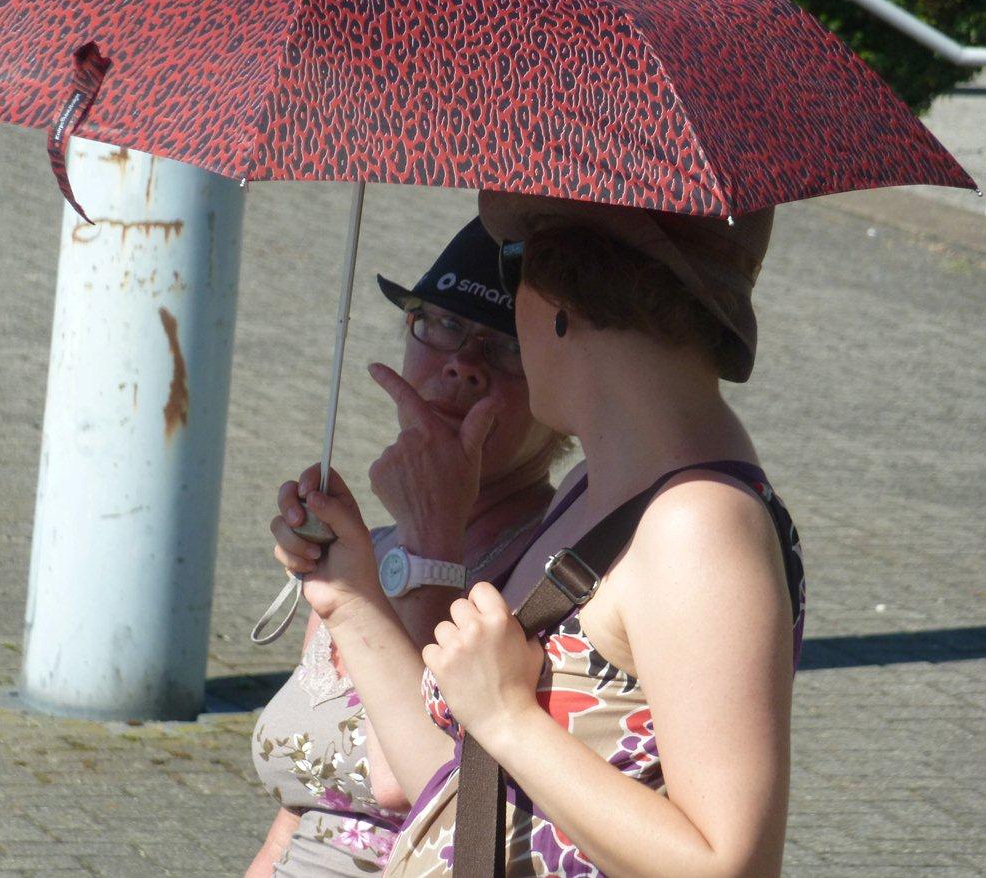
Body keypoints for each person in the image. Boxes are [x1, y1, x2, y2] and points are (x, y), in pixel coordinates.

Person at [291, 191, 806, 876]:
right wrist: (349, 595)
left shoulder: (695, 525)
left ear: (560, 300)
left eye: (515, 269)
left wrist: (509, 717)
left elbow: (728, 864)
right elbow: (455, 787)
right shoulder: (595, 490)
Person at [247, 217, 569, 876]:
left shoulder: (553, 573)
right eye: (444, 324)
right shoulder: (367, 554)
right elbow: (303, 808)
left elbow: (409, 776)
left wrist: (431, 536)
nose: (463, 364)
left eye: (506, 345)